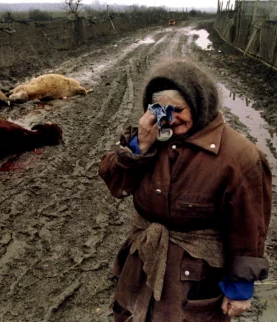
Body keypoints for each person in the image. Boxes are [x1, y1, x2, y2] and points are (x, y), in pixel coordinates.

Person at [99, 57, 272, 322]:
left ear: (199, 104)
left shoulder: (240, 157)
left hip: (195, 276)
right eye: (159, 109)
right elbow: (116, 183)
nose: (169, 118)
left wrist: (239, 289)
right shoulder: (151, 138)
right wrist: (138, 148)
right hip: (144, 262)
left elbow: (249, 227)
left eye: (178, 109)